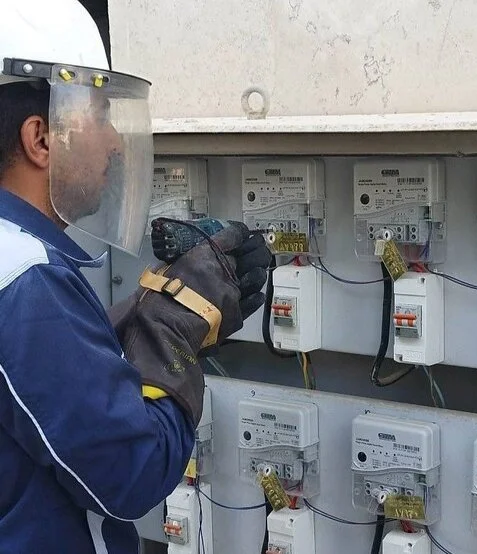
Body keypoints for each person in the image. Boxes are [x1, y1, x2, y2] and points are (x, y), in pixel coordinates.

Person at [0, 1, 271, 552]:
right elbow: (130, 474)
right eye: (99, 115)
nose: (114, 142)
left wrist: (134, 319)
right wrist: (171, 332)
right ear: (41, 139)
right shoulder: (28, 281)